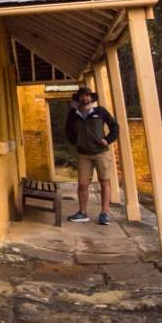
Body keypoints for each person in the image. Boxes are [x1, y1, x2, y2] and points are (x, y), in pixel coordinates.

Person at [64, 86, 119, 225]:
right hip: (83, 155)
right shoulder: (73, 114)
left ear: (91, 98)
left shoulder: (100, 111)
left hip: (101, 153)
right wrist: (75, 141)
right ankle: (83, 213)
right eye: (82, 95)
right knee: (82, 184)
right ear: (78, 98)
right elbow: (68, 129)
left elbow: (115, 126)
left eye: (87, 95)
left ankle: (104, 213)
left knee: (104, 181)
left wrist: (108, 139)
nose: (85, 98)